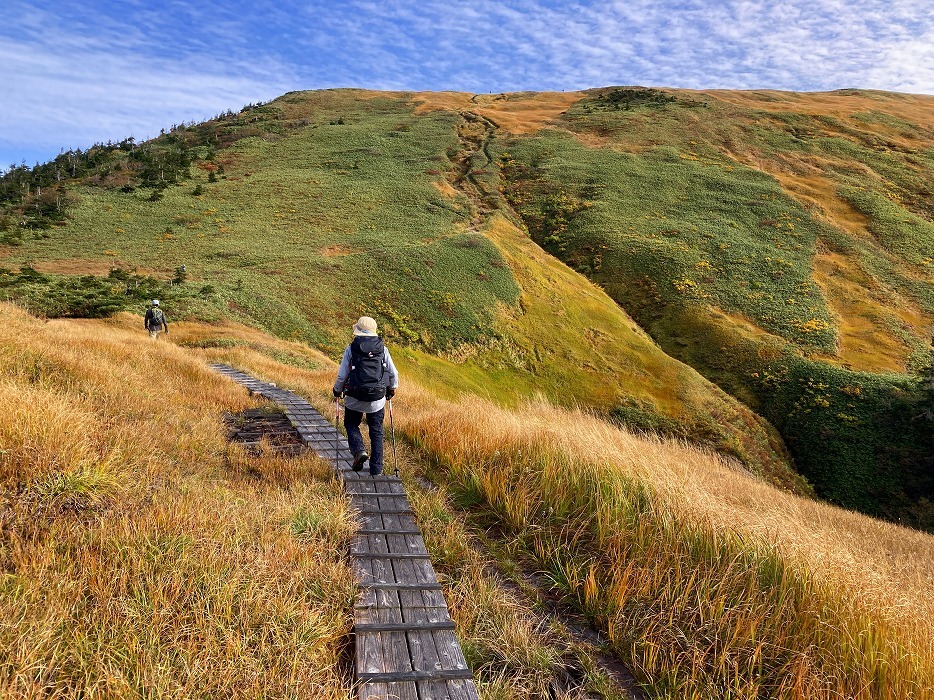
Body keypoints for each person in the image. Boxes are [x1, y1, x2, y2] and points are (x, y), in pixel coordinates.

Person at [333, 316, 399, 476]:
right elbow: (393, 373)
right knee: (376, 431)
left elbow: (343, 375)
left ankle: (358, 450)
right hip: (376, 398)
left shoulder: (351, 348)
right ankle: (376, 469)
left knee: (351, 424)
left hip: (354, 397)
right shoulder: (382, 349)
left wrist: (337, 390)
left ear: (359, 331)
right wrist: (392, 389)